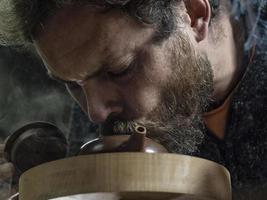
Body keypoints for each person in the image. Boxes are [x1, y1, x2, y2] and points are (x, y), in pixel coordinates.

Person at [0, 0, 266, 199]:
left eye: (119, 70)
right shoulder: (104, 111)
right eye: (73, 84)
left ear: (193, 14)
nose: (95, 112)